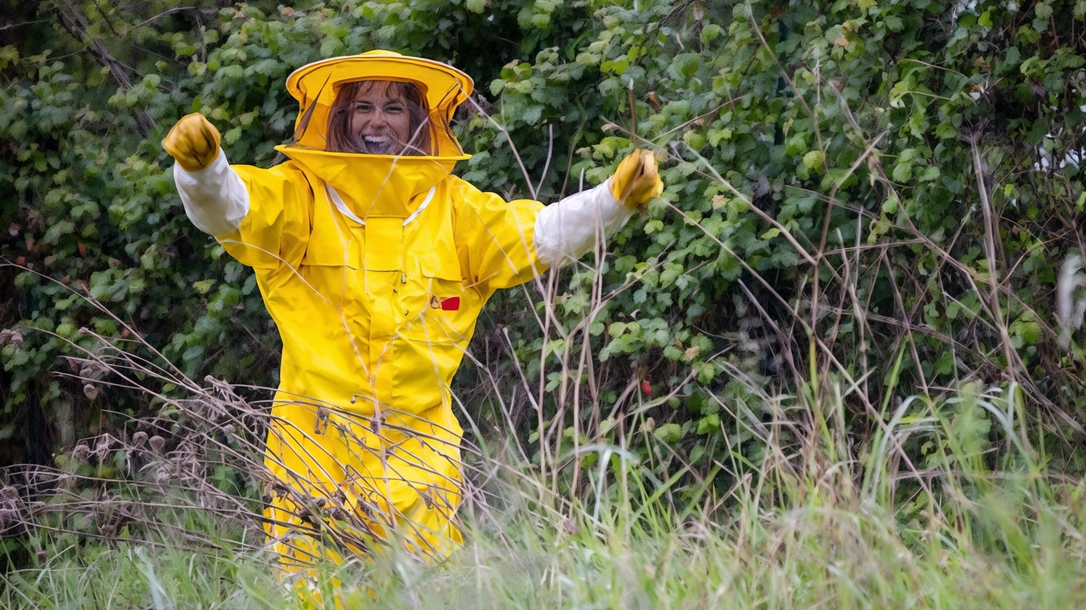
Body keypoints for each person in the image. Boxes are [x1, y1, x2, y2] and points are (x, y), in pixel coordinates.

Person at [162, 50, 662, 573]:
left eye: (394, 107)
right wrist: (202, 170)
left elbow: (542, 234)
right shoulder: (300, 196)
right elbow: (234, 209)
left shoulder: (457, 209)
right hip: (313, 452)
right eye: (362, 108)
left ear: (420, 120)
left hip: (420, 457)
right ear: (338, 118)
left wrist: (613, 201)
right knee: (313, 593)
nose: (377, 121)